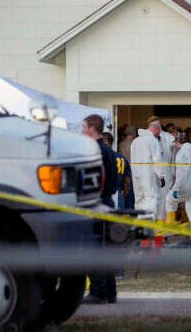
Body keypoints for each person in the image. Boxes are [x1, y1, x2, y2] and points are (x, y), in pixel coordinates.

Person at [81, 114, 118, 304]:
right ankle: (110, 292)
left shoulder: (95, 151)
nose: (81, 131)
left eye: (83, 127)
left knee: (93, 250)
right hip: (107, 203)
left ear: (91, 129)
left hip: (96, 204)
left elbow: (93, 180)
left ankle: (97, 292)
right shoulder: (108, 150)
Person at [129, 117, 164, 218]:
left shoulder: (136, 141)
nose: (160, 132)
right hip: (148, 175)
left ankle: (140, 223)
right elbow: (157, 160)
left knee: (139, 199)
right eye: (159, 129)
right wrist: (161, 176)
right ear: (156, 128)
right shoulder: (153, 141)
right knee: (150, 199)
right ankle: (148, 224)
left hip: (136, 174)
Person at [156, 121, 176, 220]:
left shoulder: (166, 138)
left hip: (162, 173)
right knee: (164, 198)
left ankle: (160, 220)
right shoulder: (169, 138)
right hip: (166, 173)